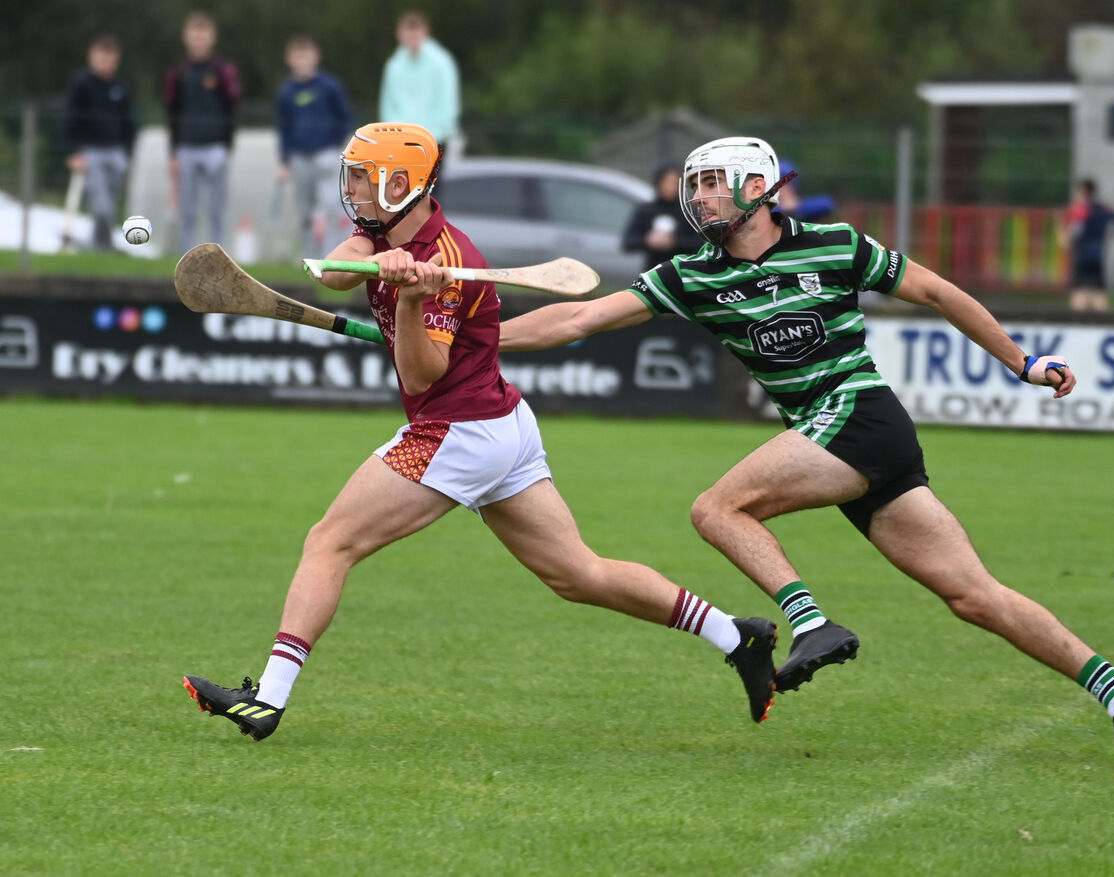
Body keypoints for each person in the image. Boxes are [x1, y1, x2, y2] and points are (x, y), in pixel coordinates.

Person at [497, 135, 1114, 768]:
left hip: (862, 415)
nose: (697, 197)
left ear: (756, 187)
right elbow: (579, 317)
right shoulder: (691, 274)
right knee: (974, 596)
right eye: (694, 186)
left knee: (718, 509)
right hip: (836, 437)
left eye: (712, 183)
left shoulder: (835, 243)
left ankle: (810, 621)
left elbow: (936, 292)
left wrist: (1022, 362)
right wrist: (482, 339)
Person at [182, 123, 778, 740]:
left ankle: (269, 700)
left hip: (457, 431)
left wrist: (412, 300)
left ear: (398, 183)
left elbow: (421, 377)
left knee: (330, 541)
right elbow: (333, 275)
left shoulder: (448, 260)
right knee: (579, 574)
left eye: (362, 177)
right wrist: (377, 262)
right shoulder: (388, 230)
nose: (352, 188)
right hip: (501, 426)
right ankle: (738, 637)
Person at [164, 10, 240, 252]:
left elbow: (232, 107)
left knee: (216, 209)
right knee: (187, 208)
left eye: (203, 35)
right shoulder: (178, 72)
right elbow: (171, 112)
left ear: (212, 38)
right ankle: (187, 255)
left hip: (215, 147)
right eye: (194, 35)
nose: (199, 40)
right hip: (186, 147)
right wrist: (173, 152)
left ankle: (220, 255)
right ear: (186, 38)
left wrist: (227, 146)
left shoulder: (222, 70)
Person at [276, 34, 354, 257]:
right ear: (289, 58)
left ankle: (333, 256)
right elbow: (284, 129)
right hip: (300, 158)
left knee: (332, 207)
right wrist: (284, 160)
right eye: (297, 56)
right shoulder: (286, 92)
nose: (302, 61)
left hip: (327, 155)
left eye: (306, 55)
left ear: (316, 57)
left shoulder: (329, 87)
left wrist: (337, 146)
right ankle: (309, 257)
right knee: (305, 212)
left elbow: (344, 118)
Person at [63, 34, 137, 250]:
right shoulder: (80, 85)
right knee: (101, 206)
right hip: (90, 152)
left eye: (110, 56)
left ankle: (100, 246)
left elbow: (128, 124)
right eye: (102, 55)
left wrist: (127, 153)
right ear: (92, 56)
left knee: (112, 205)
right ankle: (104, 245)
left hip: (116, 152)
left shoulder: (120, 88)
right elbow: (70, 120)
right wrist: (73, 151)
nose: (106, 61)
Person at [377, 11, 462, 165]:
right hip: (401, 144)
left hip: (435, 142)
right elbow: (388, 106)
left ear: (425, 33)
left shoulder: (441, 63)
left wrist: (430, 138)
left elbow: (447, 104)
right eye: (407, 34)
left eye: (415, 34)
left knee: (433, 189)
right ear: (399, 35)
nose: (411, 39)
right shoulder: (394, 65)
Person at [621, 163, 704, 272]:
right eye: (666, 182)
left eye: (674, 183)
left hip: (683, 272)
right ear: (658, 183)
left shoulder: (689, 211)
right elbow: (628, 242)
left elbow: (699, 243)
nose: (670, 187)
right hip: (653, 272)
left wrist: (674, 242)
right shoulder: (646, 210)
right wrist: (647, 240)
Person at [1065, 177, 1114, 312]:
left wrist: (1065, 238)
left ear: (1085, 191)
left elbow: (1075, 232)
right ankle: (1102, 322)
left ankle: (1076, 322)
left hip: (1083, 254)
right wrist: (1113, 235)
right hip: (1098, 254)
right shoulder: (1103, 209)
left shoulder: (1080, 210)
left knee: (1079, 289)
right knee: (1099, 290)